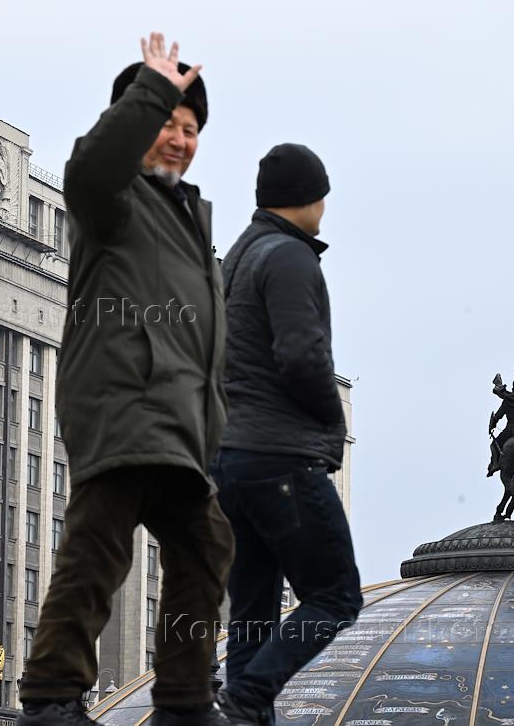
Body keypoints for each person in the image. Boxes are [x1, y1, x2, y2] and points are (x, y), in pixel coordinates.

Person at [18, 33, 234, 726]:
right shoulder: (113, 203)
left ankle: (184, 702)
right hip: (122, 406)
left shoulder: (188, 222)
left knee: (206, 547)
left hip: (177, 426)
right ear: (138, 124)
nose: (179, 140)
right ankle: (51, 696)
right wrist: (152, 89)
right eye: (167, 124)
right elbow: (89, 168)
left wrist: (214, 423)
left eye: (190, 130)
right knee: (99, 547)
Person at [211, 144, 363, 726]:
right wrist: (330, 419)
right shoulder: (291, 257)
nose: (325, 207)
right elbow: (302, 355)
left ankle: (245, 709)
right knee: (335, 594)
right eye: (322, 195)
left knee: (252, 614)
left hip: (233, 462)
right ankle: (249, 697)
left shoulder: (239, 257)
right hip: (280, 457)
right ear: (308, 198)